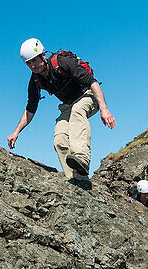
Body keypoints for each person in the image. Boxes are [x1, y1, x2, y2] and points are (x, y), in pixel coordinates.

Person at [7, 38, 116, 186]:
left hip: (89, 95)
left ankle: (82, 157)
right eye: (29, 63)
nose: (32, 65)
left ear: (43, 56)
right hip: (68, 105)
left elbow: (92, 82)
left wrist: (104, 109)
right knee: (59, 140)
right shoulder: (35, 80)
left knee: (78, 111)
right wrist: (16, 132)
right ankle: (77, 179)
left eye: (34, 60)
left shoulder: (61, 62)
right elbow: (31, 108)